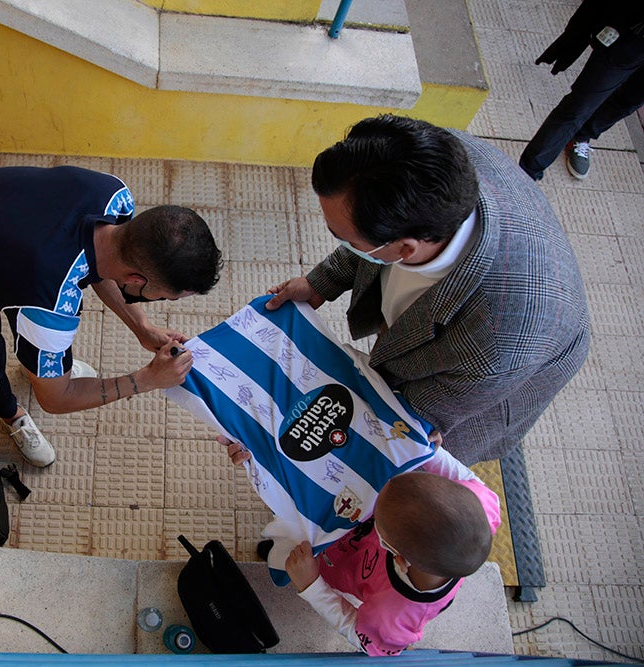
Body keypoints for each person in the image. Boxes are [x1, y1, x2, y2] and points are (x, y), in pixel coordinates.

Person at [266, 114, 590, 465]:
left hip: (501, 372)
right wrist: (319, 282)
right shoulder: (432, 160)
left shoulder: (496, 340)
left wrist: (278, 431)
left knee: (406, 461)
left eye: (342, 237)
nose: (340, 242)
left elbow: (403, 410)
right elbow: (365, 243)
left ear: (406, 249)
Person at [0, 166, 222, 467]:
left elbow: (106, 266)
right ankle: (12, 415)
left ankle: (34, 363)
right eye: (165, 296)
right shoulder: (49, 304)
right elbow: (56, 398)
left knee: (31, 324)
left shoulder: (113, 195)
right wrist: (148, 379)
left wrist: (142, 327)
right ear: (137, 281)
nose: (162, 300)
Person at [223, 439, 501, 657]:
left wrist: (312, 585)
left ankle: (280, 546)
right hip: (340, 516)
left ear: (399, 559)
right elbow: (463, 475)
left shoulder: (394, 618)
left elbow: (361, 636)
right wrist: (429, 450)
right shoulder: (482, 505)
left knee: (292, 548)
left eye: (379, 517)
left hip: (336, 560)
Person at [519, 0, 644, 181]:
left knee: (627, 102)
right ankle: (526, 175)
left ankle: (582, 136)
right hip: (631, 37)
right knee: (580, 105)